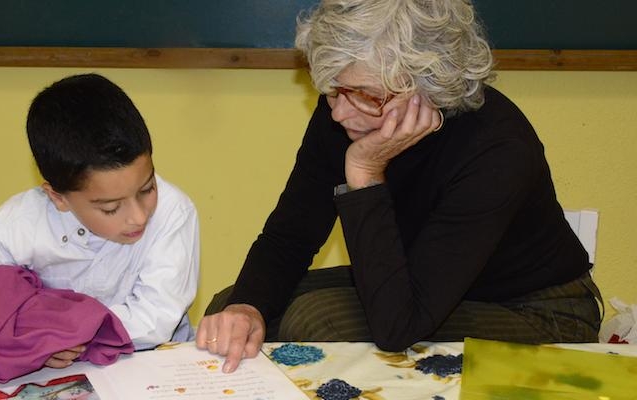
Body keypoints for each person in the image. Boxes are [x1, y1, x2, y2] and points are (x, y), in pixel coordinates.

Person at [196, 0, 602, 373]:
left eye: (364, 94)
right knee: (232, 310)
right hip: (420, 284)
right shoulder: (350, 108)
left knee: (316, 321)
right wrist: (248, 307)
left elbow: (398, 326)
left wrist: (365, 172)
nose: (338, 111)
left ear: (428, 82)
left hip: (536, 311)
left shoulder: (498, 149)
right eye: (332, 89)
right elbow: (290, 236)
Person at [0, 73, 200, 368]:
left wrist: (56, 335)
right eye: (110, 208)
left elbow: (155, 318)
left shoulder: (173, 212)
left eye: (147, 189)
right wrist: (32, 343)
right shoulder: (18, 225)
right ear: (58, 197)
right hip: (43, 373)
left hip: (149, 364)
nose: (139, 216)